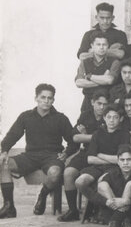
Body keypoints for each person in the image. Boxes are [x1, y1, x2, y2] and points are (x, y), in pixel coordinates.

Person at [0, 83, 78, 218]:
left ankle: (42, 195)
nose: (46, 101)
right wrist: (5, 150)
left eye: (50, 98)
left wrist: (66, 153)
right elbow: (12, 135)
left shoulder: (61, 118)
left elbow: (73, 141)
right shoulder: (26, 116)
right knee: (3, 164)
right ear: (36, 98)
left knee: (55, 173)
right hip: (30, 156)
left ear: (53, 100)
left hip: (52, 157)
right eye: (43, 97)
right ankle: (9, 207)